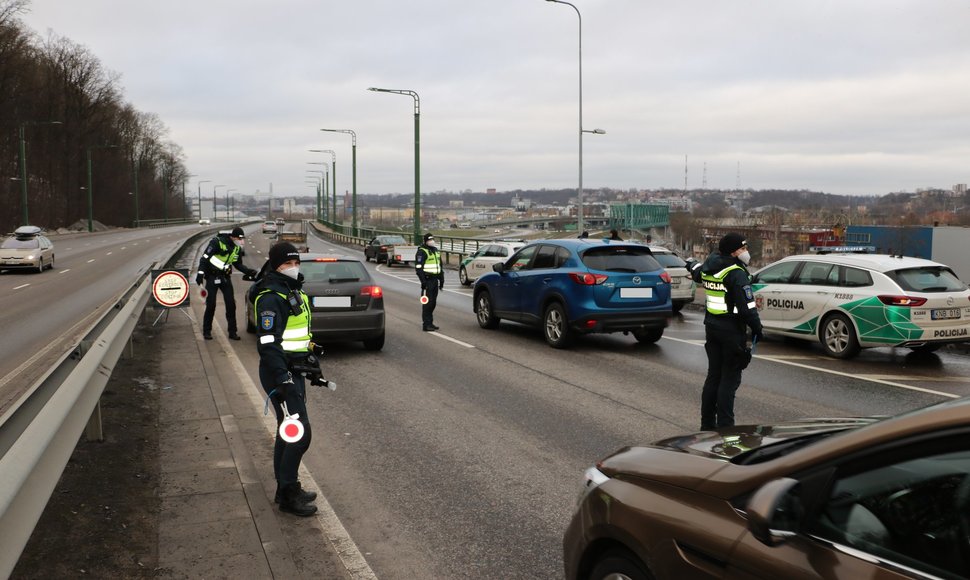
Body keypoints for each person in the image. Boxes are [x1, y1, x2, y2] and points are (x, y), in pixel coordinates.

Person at [254, 242, 319, 517]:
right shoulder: (271, 297)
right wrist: (284, 379)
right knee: (299, 432)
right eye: (287, 264)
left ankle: (285, 488)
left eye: (296, 262)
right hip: (279, 373)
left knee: (288, 428)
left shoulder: (291, 289)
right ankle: (289, 493)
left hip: (294, 369)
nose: (293, 268)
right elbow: (268, 343)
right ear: (276, 265)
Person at [687, 232, 763, 430]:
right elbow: (748, 308)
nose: (746, 252)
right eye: (743, 248)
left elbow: (696, 271)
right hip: (731, 332)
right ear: (733, 251)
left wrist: (690, 263)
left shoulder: (710, 266)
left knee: (713, 377)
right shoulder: (736, 273)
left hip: (712, 328)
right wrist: (757, 329)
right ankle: (725, 429)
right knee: (728, 381)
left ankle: (707, 426)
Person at [196, 226, 257, 340]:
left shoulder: (237, 249)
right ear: (232, 237)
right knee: (211, 305)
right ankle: (207, 331)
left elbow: (238, 264)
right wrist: (200, 273)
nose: (241, 241)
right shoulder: (217, 243)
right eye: (239, 238)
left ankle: (232, 332)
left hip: (225, 278)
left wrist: (249, 271)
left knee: (231, 305)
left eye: (242, 238)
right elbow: (204, 258)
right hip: (212, 277)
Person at [415, 233, 444, 331]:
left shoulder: (435, 250)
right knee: (428, 303)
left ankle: (430, 322)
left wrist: (441, 279)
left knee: (433, 303)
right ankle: (426, 324)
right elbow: (419, 268)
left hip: (435, 280)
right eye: (430, 240)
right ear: (425, 241)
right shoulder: (421, 252)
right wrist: (423, 282)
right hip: (428, 280)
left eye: (433, 239)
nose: (432, 241)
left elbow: (440, 265)